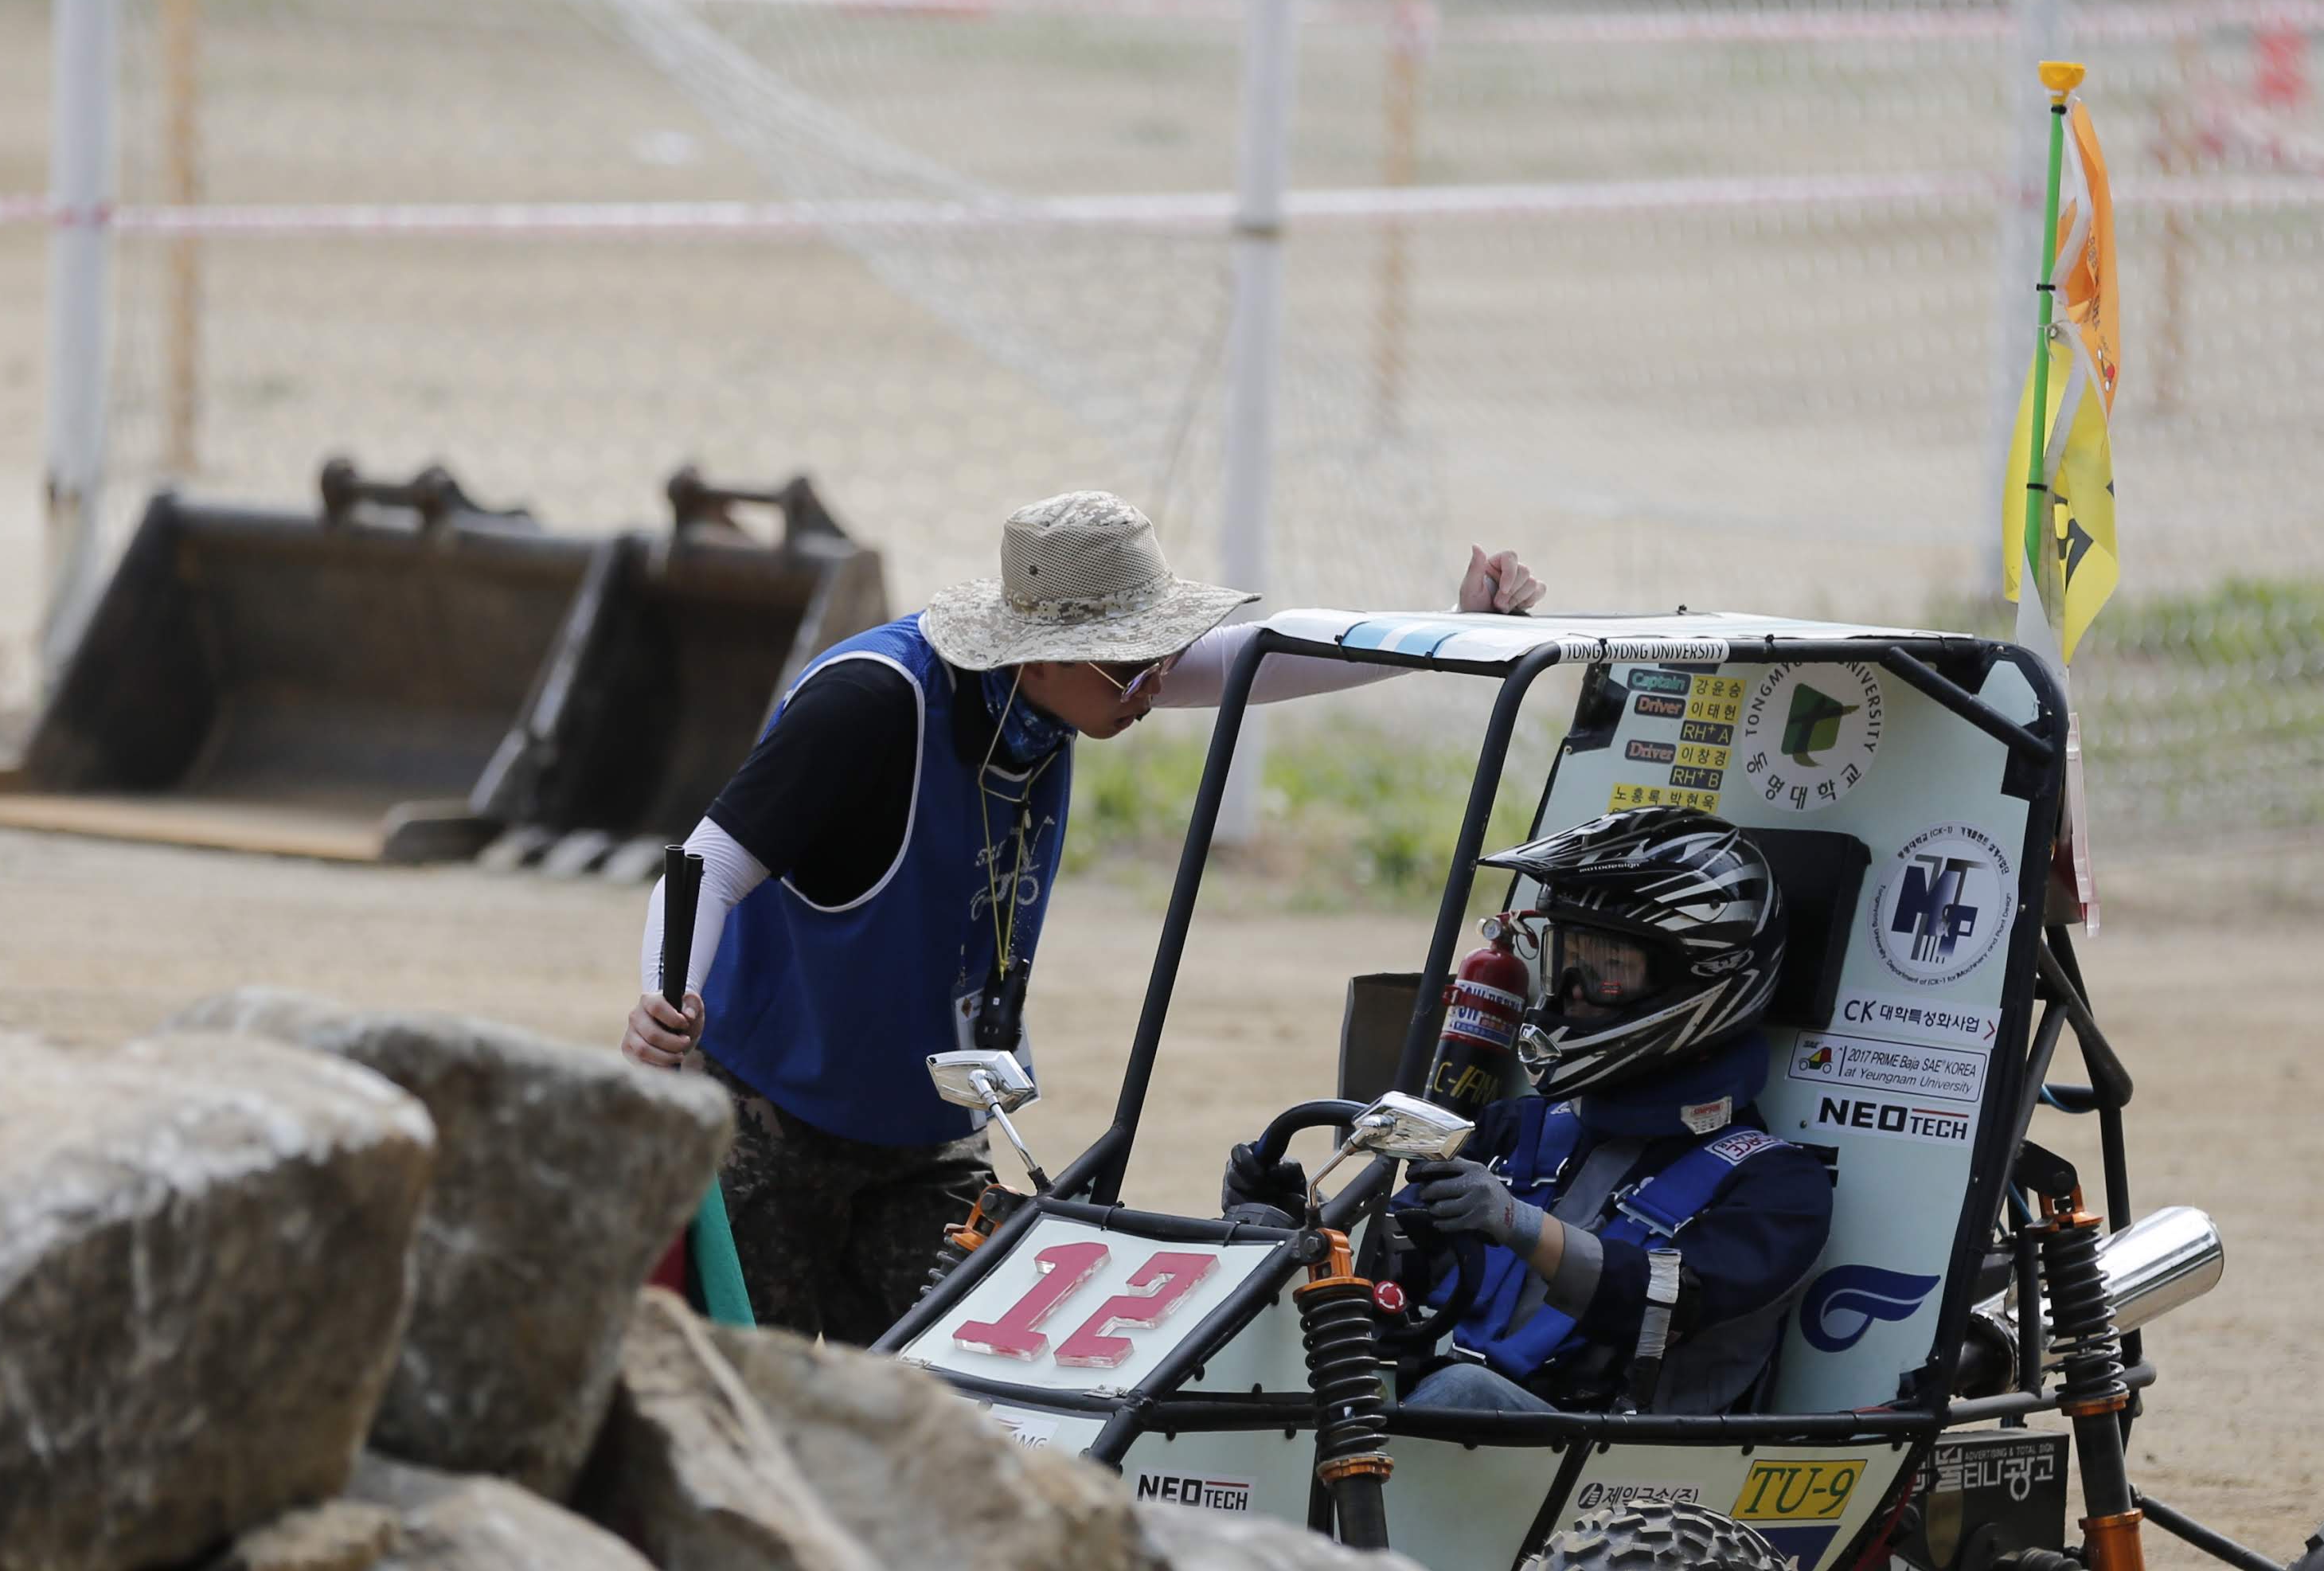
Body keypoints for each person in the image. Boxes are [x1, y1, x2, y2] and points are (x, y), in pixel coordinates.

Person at [623, 487, 1541, 1341]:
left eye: (1158, 658)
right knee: (748, 1406)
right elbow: (708, 862)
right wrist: (666, 1008)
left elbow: (1249, 663)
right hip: (768, 1119)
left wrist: (1450, 627)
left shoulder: (1063, 691)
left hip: (927, 1126)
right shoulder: (870, 702)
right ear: (1045, 651)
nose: (1155, 685)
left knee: (960, 1396)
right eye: (1134, 664)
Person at [1363, 808, 1835, 1416]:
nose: (1570, 992)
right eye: (1565, 957)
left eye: (1607, 967)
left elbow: (1666, 1301)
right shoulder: (1522, 1128)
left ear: (1705, 977)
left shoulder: (1779, 1188)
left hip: (1625, 1477)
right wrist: (1286, 1220)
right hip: (1450, 1428)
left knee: (1463, 1395)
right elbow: (1395, 1254)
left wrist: (1519, 1223)